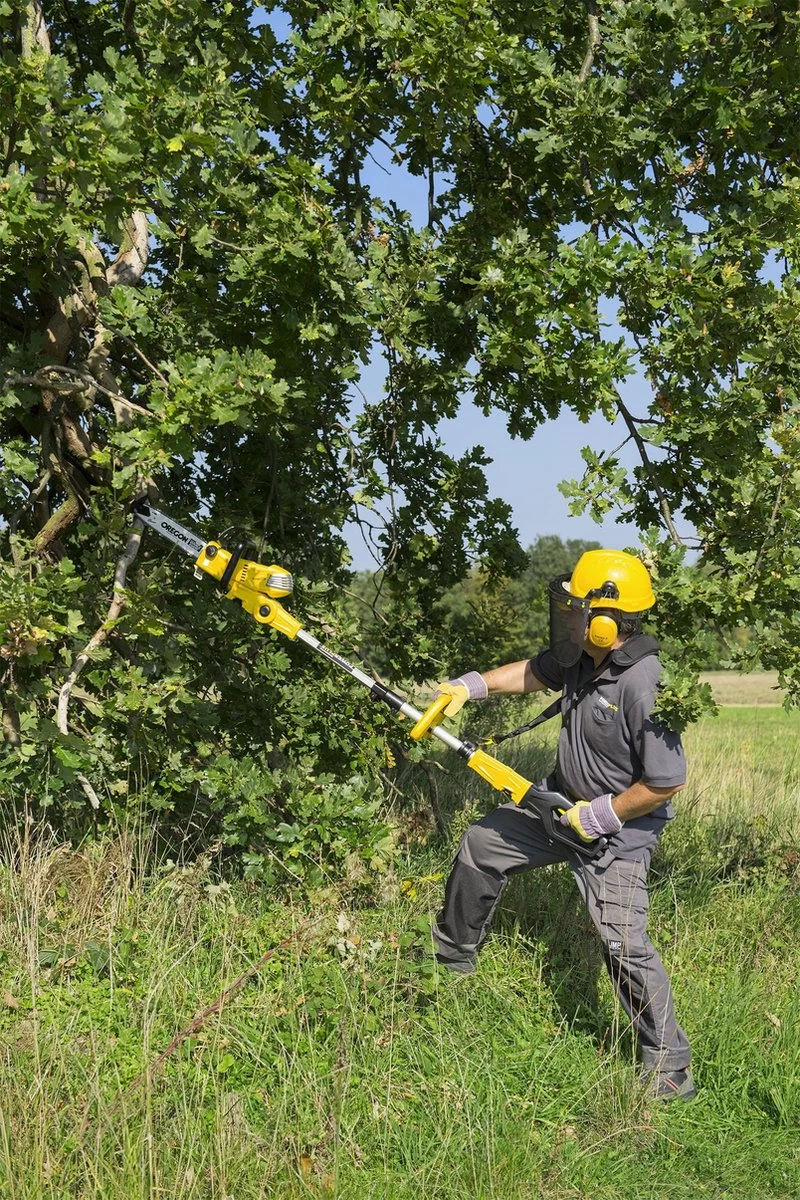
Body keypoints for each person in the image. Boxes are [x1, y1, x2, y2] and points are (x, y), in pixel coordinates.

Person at [431, 549, 695, 1102]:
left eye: (580, 611)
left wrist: (601, 815)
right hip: (560, 809)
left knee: (623, 943)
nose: (570, 620)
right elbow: (533, 672)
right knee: (483, 843)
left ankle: (671, 1067)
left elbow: (667, 781)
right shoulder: (583, 655)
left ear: (608, 621)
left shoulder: (645, 682)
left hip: (619, 831)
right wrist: (470, 685)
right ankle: (448, 963)